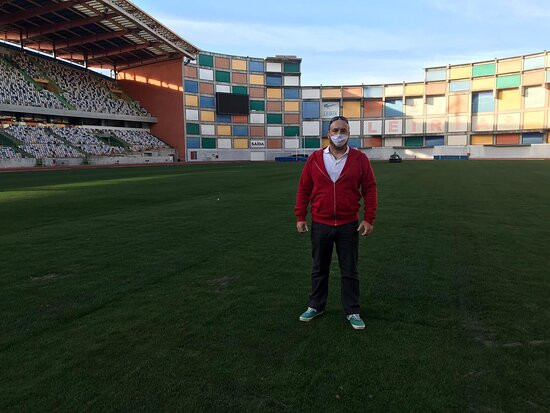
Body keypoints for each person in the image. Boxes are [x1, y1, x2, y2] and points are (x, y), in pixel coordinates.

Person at [294, 115, 378, 330]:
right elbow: (304, 188)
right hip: (320, 224)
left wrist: (369, 218)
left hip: (348, 224)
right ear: (328, 134)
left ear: (349, 133)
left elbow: (369, 189)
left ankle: (352, 310)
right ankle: (316, 305)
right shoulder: (314, 158)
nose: (339, 134)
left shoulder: (360, 159)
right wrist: (301, 216)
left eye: (343, 130)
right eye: (335, 130)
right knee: (319, 268)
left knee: (349, 270)